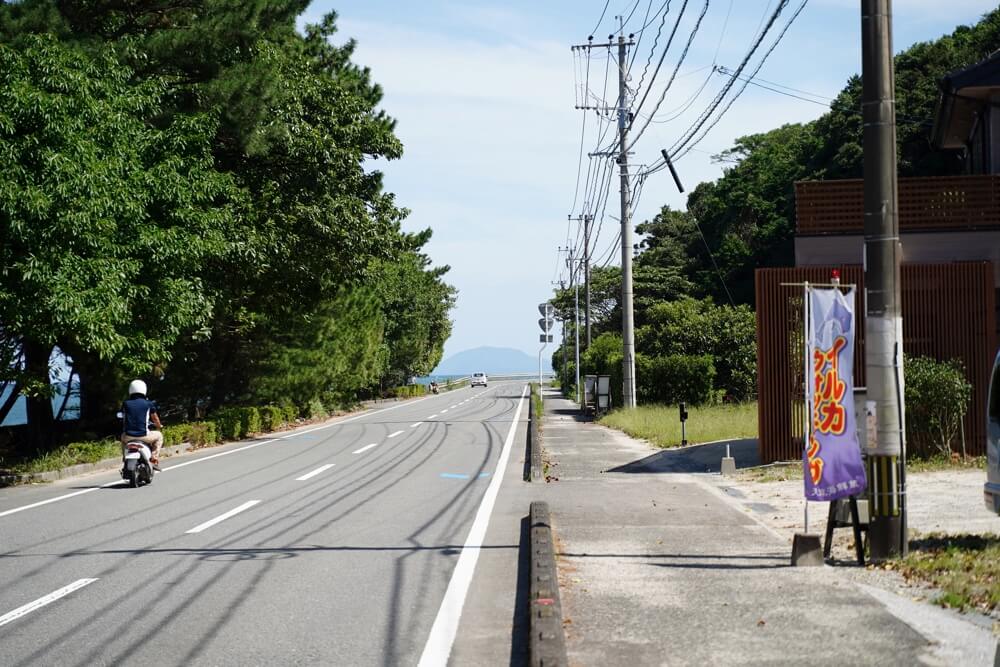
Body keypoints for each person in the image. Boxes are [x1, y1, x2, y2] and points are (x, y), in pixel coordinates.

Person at [120, 379, 163, 471]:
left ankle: (125, 459)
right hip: (144, 436)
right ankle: (154, 459)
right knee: (159, 436)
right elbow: (155, 418)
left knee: (122, 438)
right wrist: (159, 426)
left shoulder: (125, 403)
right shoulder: (148, 403)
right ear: (144, 390)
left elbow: (122, 416)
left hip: (128, 436)